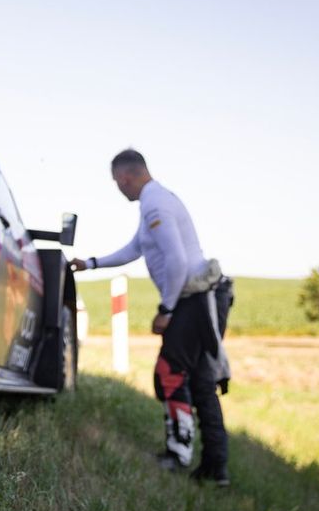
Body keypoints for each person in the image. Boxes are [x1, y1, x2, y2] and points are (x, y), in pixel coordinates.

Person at [70, 149, 233, 486]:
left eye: (117, 182)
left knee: (170, 372)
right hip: (198, 298)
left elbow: (176, 261)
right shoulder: (154, 202)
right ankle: (215, 469)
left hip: (194, 300)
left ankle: (178, 454)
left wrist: (166, 310)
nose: (119, 189)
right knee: (201, 381)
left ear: (125, 177)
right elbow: (135, 249)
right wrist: (92, 263)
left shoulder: (155, 204)